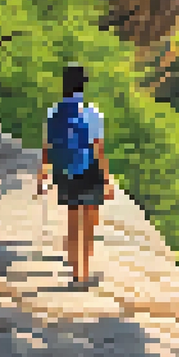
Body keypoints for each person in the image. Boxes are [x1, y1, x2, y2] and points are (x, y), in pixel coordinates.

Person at [37, 63, 114, 286]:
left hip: (64, 170)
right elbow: (98, 149)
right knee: (88, 221)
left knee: (72, 217)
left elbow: (47, 147)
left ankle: (74, 269)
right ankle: (84, 273)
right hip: (88, 170)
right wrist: (106, 180)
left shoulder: (53, 113)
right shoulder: (91, 113)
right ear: (83, 85)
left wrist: (43, 174)